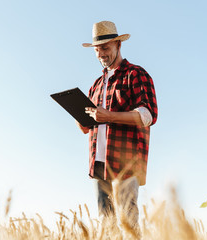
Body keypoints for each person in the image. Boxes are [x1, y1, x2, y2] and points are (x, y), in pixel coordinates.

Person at [76, 21, 158, 230]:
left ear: (118, 45)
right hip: (99, 162)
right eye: (97, 50)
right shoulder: (95, 85)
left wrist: (109, 116)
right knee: (106, 225)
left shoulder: (136, 74)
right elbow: (88, 128)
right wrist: (80, 119)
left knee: (128, 221)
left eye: (105, 48)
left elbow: (148, 115)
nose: (101, 53)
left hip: (126, 160)